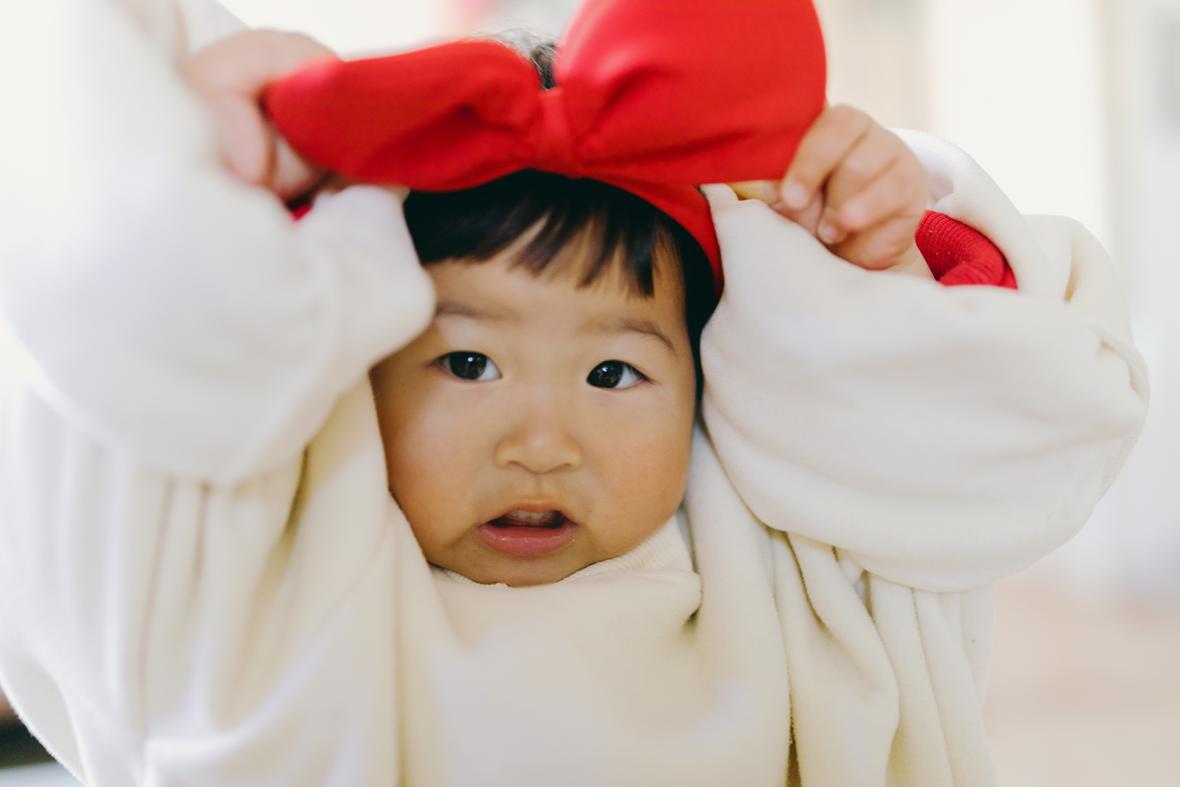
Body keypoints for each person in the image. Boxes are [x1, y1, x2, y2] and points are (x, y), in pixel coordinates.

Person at [0, 0, 1147, 786]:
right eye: (465, 363)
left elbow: (975, 431)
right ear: (358, 359)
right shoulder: (286, 582)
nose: (542, 443)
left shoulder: (787, 565)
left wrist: (860, 272)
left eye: (613, 373)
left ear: (712, 375)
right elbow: (138, 354)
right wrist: (228, 174)